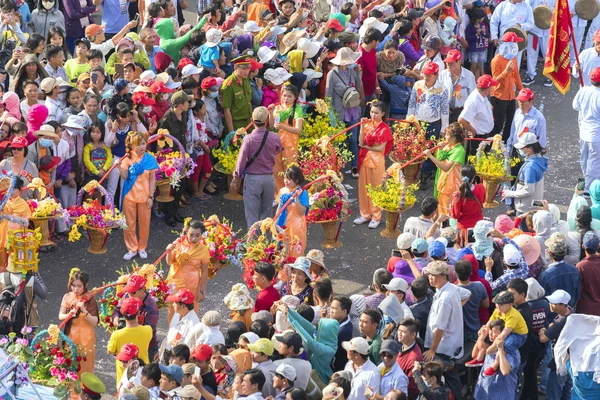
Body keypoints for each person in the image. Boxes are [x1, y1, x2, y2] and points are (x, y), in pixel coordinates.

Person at [232, 106, 283, 229]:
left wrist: (236, 178)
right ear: (266, 120)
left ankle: (253, 243)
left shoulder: (248, 139)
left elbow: (241, 161)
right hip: (269, 179)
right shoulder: (274, 137)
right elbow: (279, 150)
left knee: (252, 215)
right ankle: (267, 243)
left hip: (253, 179)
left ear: (252, 120)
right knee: (267, 214)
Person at [423, 261, 467, 400]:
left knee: (450, 379)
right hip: (451, 343)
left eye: (434, 275)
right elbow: (467, 293)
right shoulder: (451, 289)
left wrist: (432, 350)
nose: (430, 278)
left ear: (444, 276)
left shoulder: (445, 299)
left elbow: (440, 328)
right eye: (429, 274)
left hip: (444, 348)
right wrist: (456, 309)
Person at [407, 62, 449, 188]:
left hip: (433, 124)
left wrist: (444, 127)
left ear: (436, 75)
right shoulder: (417, 85)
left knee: (430, 149)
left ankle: (425, 175)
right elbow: (412, 104)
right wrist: (408, 121)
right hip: (417, 122)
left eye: (429, 75)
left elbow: (445, 110)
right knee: (415, 147)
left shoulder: (442, 89)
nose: (426, 77)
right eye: (424, 74)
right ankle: (412, 174)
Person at [117, 131, 158, 261]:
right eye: (138, 144)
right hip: (129, 195)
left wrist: (151, 197)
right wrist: (119, 167)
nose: (141, 147)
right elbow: (124, 177)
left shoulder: (150, 158)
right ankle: (132, 248)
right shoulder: (127, 158)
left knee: (145, 223)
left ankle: (142, 247)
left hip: (145, 196)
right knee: (129, 224)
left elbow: (152, 179)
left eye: (143, 143)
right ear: (131, 145)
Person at [354, 100, 394, 229]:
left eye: (376, 113)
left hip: (376, 161)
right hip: (365, 159)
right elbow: (360, 142)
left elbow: (381, 148)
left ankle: (376, 216)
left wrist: (366, 146)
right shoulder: (367, 125)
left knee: (376, 188)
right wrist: (361, 126)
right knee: (363, 188)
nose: (373, 115)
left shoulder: (385, 129)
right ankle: (365, 214)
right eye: (372, 112)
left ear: (382, 113)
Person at [157, 90, 192, 227]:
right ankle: (168, 214)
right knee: (170, 187)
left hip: (181, 156)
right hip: (170, 158)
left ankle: (175, 210)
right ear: (179, 104)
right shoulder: (166, 120)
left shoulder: (184, 115)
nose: (188, 104)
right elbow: (160, 142)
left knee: (180, 185)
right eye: (186, 102)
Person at [326, 47, 363, 176]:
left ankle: (354, 167)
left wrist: (358, 74)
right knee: (340, 140)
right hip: (339, 110)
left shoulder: (352, 71)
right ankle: (339, 168)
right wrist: (330, 113)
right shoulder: (332, 74)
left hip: (353, 109)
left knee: (353, 140)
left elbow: (357, 88)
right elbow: (328, 95)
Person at [165, 219, 210, 321]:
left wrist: (202, 291)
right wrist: (169, 251)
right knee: (173, 311)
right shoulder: (178, 244)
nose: (194, 238)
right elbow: (169, 262)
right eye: (191, 234)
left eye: (197, 235)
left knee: (190, 312)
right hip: (175, 283)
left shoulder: (203, 250)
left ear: (202, 235)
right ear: (186, 232)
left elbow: (204, 273)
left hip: (192, 286)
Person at [58, 268, 99, 376]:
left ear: (85, 285)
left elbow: (95, 322)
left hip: (87, 339)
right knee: (70, 367)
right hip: (71, 337)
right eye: (73, 285)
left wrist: (85, 311)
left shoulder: (90, 299)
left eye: (79, 286)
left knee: (86, 369)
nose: (76, 289)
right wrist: (69, 314)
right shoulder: (67, 297)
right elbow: (60, 316)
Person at [423, 122, 466, 215]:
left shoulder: (459, 150)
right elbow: (439, 160)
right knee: (441, 209)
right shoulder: (448, 146)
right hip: (442, 182)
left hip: (452, 186)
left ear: (454, 138)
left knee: (448, 212)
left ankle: (447, 228)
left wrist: (430, 156)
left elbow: (446, 167)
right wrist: (441, 149)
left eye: (447, 135)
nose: (445, 137)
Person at [473, 319, 522, 399]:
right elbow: (474, 355)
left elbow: (505, 371)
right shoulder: (490, 346)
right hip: (483, 394)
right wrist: (481, 337)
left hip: (501, 395)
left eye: (494, 332)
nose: (491, 334)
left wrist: (501, 350)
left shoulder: (512, 352)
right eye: (490, 331)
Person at [538, 289, 574, 399]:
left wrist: (542, 332)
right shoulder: (571, 312)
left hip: (560, 363)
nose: (551, 305)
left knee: (553, 393)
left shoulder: (561, 322)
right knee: (567, 394)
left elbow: (543, 339)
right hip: (571, 360)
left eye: (554, 303)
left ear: (563, 305)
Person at [490, 32, 525, 143]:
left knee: (510, 123)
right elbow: (494, 81)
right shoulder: (497, 60)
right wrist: (506, 72)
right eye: (515, 42)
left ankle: (504, 148)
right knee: (498, 126)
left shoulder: (512, 58)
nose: (516, 45)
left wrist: (522, 90)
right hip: (499, 97)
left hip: (511, 96)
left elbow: (516, 75)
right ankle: (485, 148)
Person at [503, 131, 548, 215]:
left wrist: (510, 193)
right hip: (535, 205)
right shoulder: (539, 160)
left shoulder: (530, 167)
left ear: (530, 148)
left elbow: (528, 190)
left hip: (525, 208)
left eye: (522, 148)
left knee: (523, 228)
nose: (520, 150)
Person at [573, 67, 600, 192]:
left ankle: (586, 181)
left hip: (584, 131)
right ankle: (589, 189)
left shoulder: (583, 90)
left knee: (584, 159)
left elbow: (575, 106)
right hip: (596, 134)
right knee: (594, 162)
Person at [458, 74, 497, 155]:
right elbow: (462, 120)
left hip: (485, 136)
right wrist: (472, 131)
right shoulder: (474, 101)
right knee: (476, 161)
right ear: (487, 90)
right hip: (477, 138)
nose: (493, 88)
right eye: (491, 86)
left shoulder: (482, 96)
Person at [539, 232, 581, 307]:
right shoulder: (574, 270)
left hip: (554, 313)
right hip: (571, 310)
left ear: (550, 253)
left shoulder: (546, 275)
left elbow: (544, 299)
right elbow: (578, 293)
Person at [159, 288, 199, 363]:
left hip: (177, 360)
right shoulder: (177, 314)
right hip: (168, 353)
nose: (173, 304)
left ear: (183, 306)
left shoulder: (193, 324)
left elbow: (191, 348)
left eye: (175, 302)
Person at [275, 166, 308, 257]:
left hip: (296, 228)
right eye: (285, 178)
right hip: (283, 227)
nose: (286, 181)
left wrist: (296, 197)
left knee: (295, 254)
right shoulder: (282, 190)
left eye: (289, 179)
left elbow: (302, 211)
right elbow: (279, 208)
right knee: (282, 255)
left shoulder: (302, 193)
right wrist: (275, 223)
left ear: (297, 180)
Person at [438, 49, 476, 123]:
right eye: (447, 62)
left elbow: (473, 98)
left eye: (451, 63)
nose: (448, 65)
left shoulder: (469, 76)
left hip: (462, 112)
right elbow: (439, 93)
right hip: (445, 111)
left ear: (459, 62)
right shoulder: (443, 74)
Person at [222, 54, 253, 133]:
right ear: (235, 67)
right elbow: (226, 110)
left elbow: (248, 101)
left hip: (249, 122)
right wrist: (231, 132)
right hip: (237, 124)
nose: (246, 71)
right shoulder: (228, 85)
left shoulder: (245, 79)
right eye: (243, 68)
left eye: (248, 68)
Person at [575, 231, 600, 315]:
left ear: (583, 246)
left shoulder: (580, 266)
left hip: (585, 311)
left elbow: (578, 290)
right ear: (598, 246)